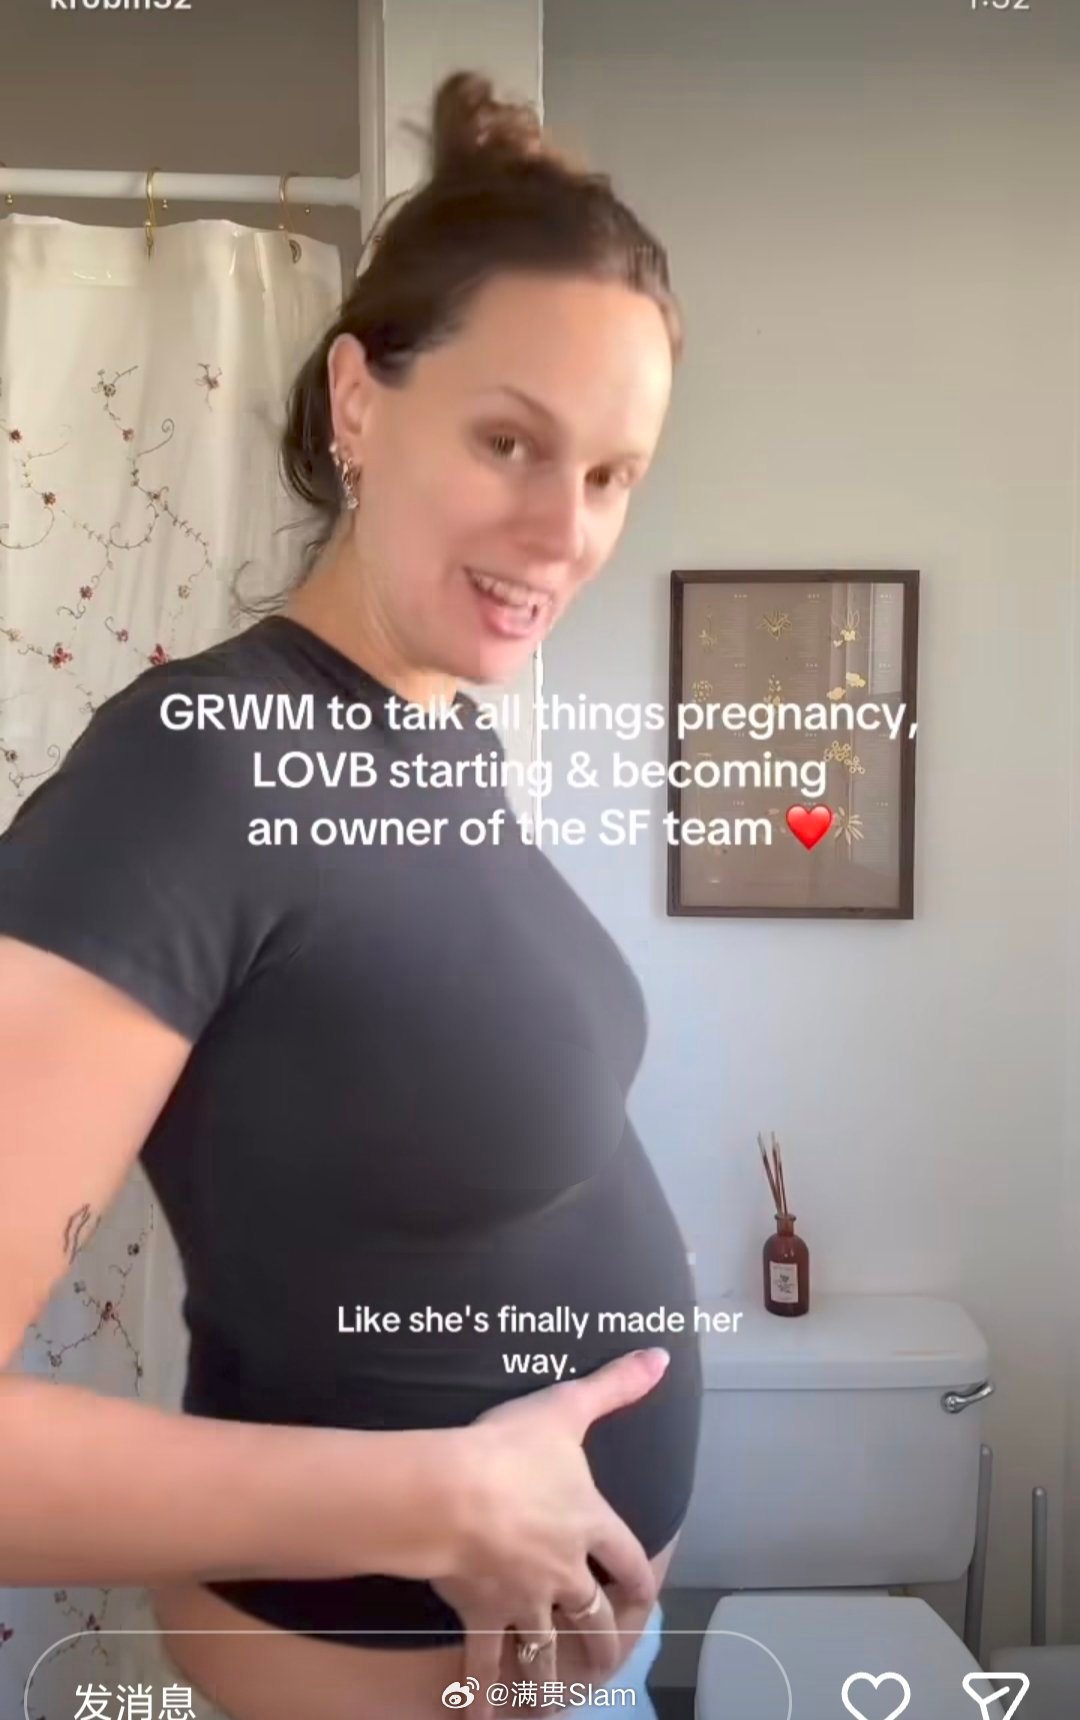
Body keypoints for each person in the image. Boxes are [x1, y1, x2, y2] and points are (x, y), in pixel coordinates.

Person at [0, 70, 702, 1720]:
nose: (564, 531)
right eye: (510, 441)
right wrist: (431, 1502)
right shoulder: (189, 771)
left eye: (613, 474)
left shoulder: (437, 738)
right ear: (359, 405)